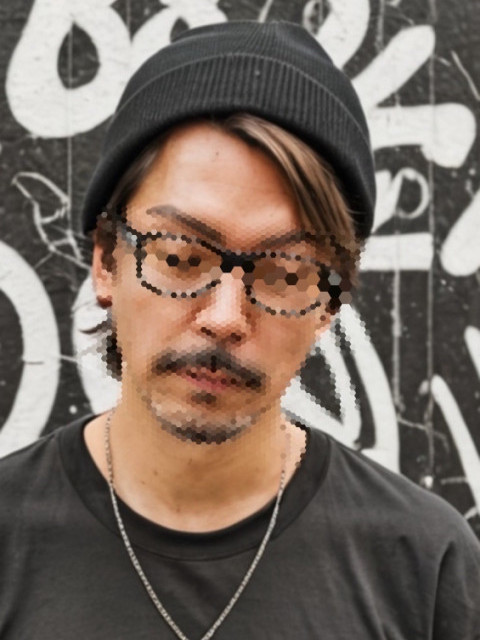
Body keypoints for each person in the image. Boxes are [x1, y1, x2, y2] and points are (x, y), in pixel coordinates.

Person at [1, 21, 479, 640]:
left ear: (329, 304)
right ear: (105, 261)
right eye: (180, 256)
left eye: (285, 272)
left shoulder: (426, 569)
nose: (225, 318)